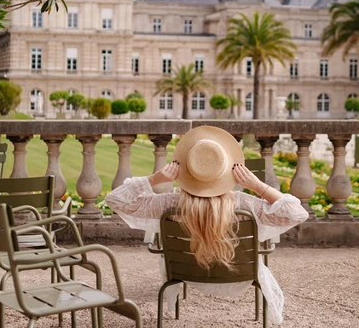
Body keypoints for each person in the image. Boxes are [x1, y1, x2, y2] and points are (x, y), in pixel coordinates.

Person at [105, 126, 309, 325]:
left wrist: (155, 178)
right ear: (227, 169)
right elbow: (296, 212)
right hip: (241, 276)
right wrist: (257, 186)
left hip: (184, 274)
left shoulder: (169, 204)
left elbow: (116, 199)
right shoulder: (243, 204)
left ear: (186, 169)